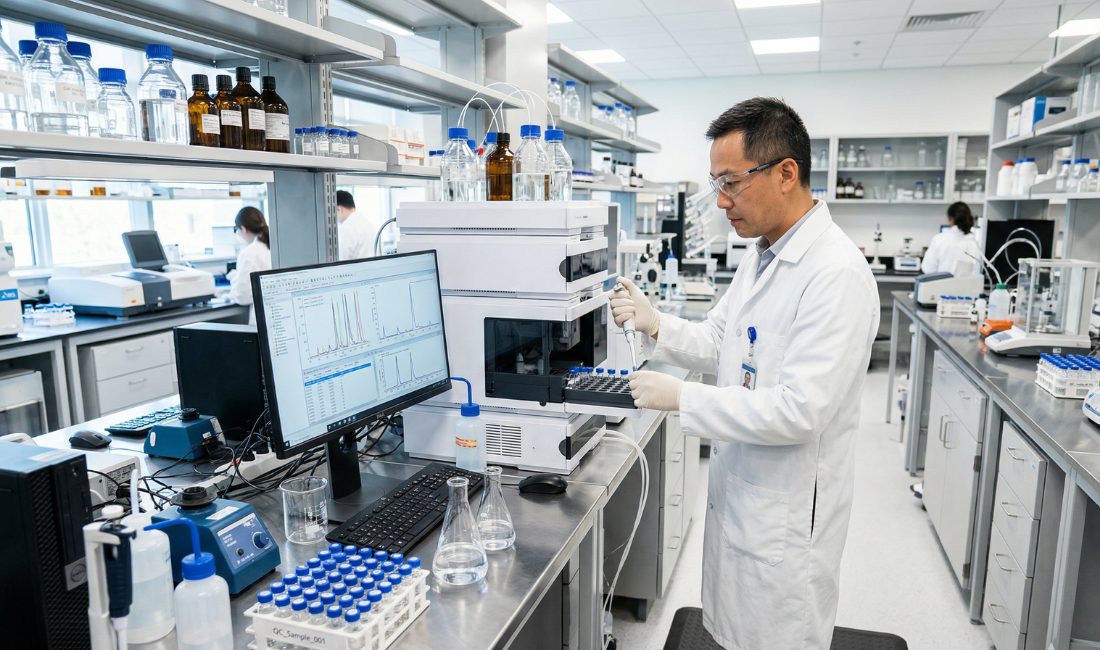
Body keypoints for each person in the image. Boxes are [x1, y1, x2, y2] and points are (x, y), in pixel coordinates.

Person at [611, 97, 880, 649]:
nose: (721, 202)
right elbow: (720, 338)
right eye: (715, 184)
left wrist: (685, 398)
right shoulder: (764, 255)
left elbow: (800, 410)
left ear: (786, 173)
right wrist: (657, 323)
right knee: (730, 630)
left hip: (785, 526)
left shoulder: (836, 275)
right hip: (744, 501)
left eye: (731, 182)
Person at [228, 206, 272, 324]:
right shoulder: (274, 244)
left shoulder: (249, 253)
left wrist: (233, 279)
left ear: (243, 229)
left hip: (263, 319)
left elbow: (242, 296)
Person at [921, 201, 982, 275]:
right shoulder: (976, 242)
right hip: (968, 286)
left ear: (951, 218)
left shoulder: (939, 239)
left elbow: (928, 269)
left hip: (940, 285)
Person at [337, 190, 385, 260]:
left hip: (355, 270)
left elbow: (342, 261)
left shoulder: (346, 227)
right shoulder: (369, 224)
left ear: (339, 209)